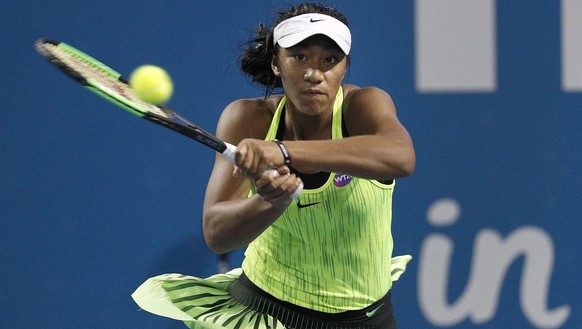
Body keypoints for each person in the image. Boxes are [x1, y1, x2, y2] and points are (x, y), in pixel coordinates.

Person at [132, 3, 415, 328]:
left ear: (344, 67)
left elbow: (400, 156)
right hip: (268, 313)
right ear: (276, 64)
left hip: (368, 319)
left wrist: (283, 151)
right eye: (299, 57)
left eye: (330, 59)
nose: (314, 72)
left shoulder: (363, 106)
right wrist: (269, 203)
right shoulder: (248, 119)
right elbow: (216, 234)